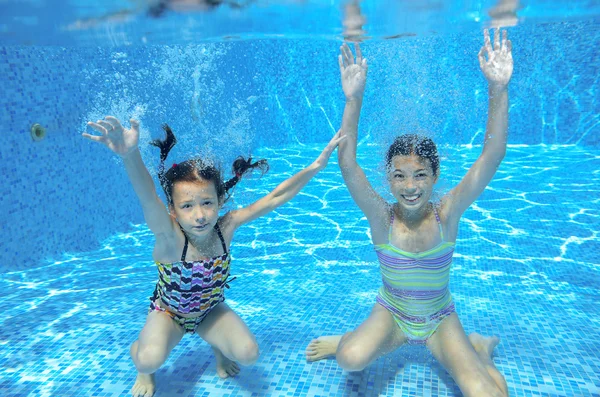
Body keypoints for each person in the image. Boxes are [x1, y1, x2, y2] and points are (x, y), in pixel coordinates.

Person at [305, 28, 513, 397]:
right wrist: (353, 99)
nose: (410, 186)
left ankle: (479, 349)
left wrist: (498, 88)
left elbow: (491, 156)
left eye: (420, 175)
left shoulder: (446, 213)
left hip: (439, 320)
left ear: (435, 177)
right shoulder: (382, 218)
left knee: (493, 395)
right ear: (387, 179)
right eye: (399, 176)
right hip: (393, 314)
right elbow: (348, 164)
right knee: (350, 358)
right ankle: (365, 340)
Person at [82, 117, 344, 397]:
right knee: (148, 358)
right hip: (170, 315)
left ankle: (218, 347)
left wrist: (316, 166)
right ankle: (144, 370)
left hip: (210, 311)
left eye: (208, 203)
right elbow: (147, 196)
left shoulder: (226, 227)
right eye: (187, 206)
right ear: (173, 210)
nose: (199, 215)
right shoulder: (170, 238)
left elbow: (275, 197)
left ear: (220, 200)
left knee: (249, 354)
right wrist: (130, 155)